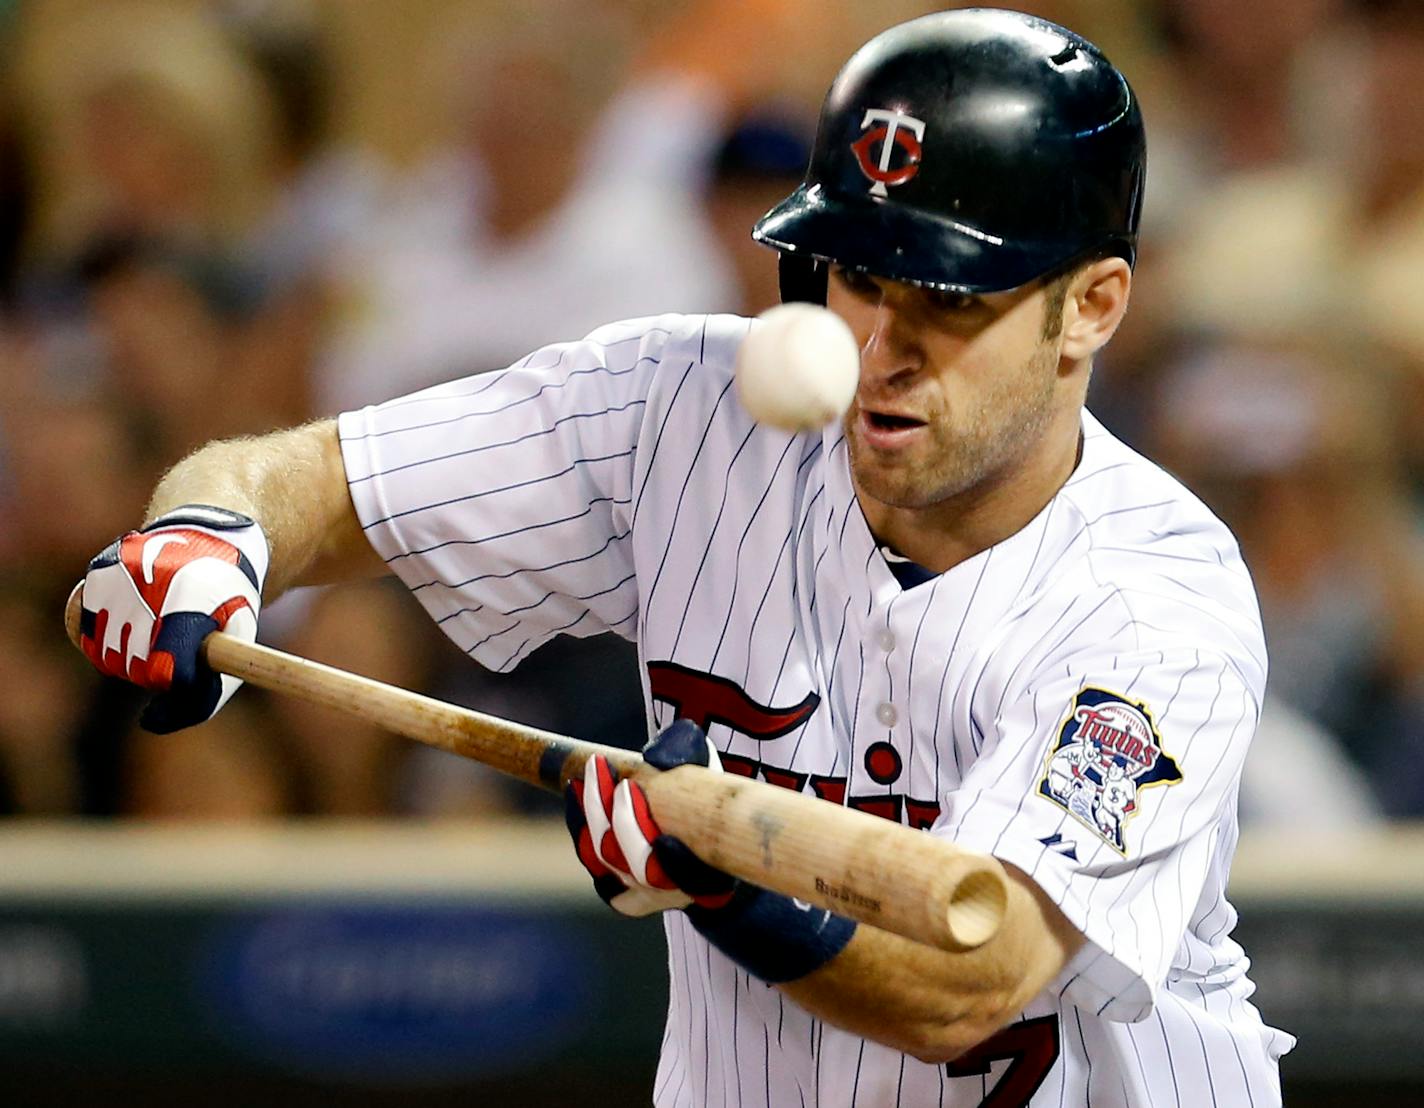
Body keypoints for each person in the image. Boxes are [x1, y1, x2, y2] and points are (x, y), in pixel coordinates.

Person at [73, 10, 1293, 1106]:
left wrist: (731, 882)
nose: (878, 345)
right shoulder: (677, 406)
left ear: (1090, 305)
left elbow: (974, 978)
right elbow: (320, 484)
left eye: (950, 297)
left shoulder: (1155, 596)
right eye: (856, 277)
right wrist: (209, 539)